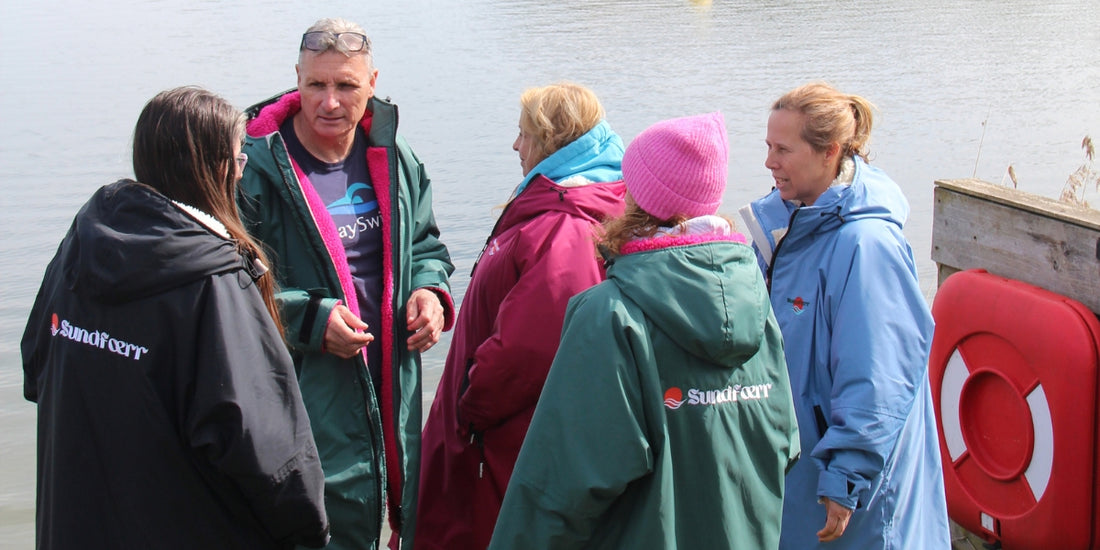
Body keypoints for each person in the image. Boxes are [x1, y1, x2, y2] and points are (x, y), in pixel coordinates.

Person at [20, 86, 329, 549]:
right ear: (212, 168)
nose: (243, 171)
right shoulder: (216, 282)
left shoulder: (78, 252)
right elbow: (268, 451)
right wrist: (311, 528)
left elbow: (33, 369)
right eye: (239, 158)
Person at [488, 112, 800, 549]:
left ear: (636, 194)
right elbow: (784, 442)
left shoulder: (610, 313)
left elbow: (561, 485)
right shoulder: (755, 298)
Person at [238, 18, 455, 549]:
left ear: (373, 82)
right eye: (316, 85)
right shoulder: (253, 170)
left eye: (346, 86)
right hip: (304, 387)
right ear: (296, 78)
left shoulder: (396, 159)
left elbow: (427, 245)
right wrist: (311, 320)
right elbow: (233, 289)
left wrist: (430, 292)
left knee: (397, 507)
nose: (329, 103)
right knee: (315, 524)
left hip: (391, 379)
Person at [739, 82, 950, 549]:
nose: (769, 162)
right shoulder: (788, 225)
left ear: (829, 152)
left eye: (783, 149)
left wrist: (846, 477)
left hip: (855, 486)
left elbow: (880, 375)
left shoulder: (866, 246)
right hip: (805, 468)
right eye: (767, 147)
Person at [416, 83, 627, 550]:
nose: (515, 145)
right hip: (500, 431)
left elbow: (533, 344)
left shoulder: (562, 222)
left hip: (502, 439)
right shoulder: (559, 206)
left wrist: (470, 407)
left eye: (523, 134)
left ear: (551, 141)